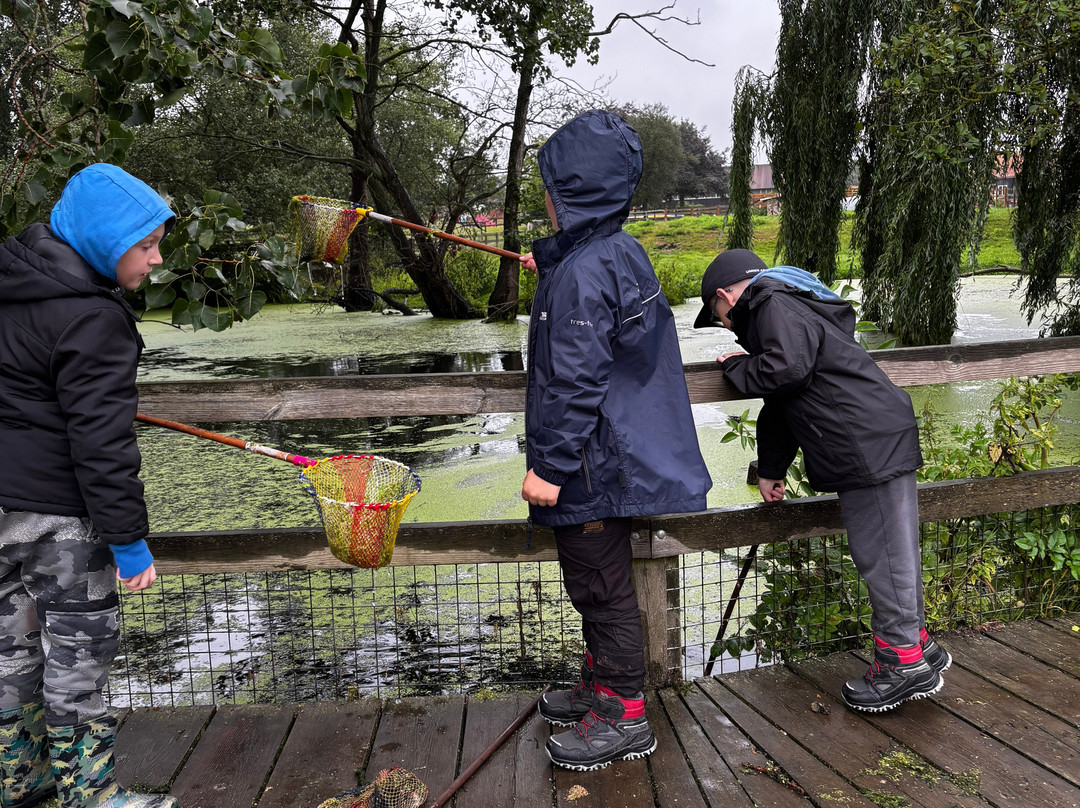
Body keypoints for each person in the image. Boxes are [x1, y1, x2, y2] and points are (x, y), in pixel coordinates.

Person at [519, 110, 712, 770]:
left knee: (602, 590)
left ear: (570, 190)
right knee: (594, 583)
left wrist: (547, 466)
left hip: (590, 462)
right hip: (610, 454)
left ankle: (624, 712)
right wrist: (547, 260)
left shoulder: (581, 272)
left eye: (549, 185)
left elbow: (576, 377)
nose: (543, 197)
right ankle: (601, 687)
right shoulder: (611, 252)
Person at [693, 248, 951, 712]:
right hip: (872, 433)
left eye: (718, 316)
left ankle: (902, 662)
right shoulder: (791, 302)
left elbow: (784, 372)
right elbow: (786, 398)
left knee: (881, 554)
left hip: (864, 441)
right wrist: (771, 469)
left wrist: (734, 366)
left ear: (725, 296)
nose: (726, 325)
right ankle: (916, 646)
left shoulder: (771, 302)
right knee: (894, 548)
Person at [0, 164, 179, 807]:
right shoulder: (93, 319)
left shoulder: (12, 285)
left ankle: (19, 783)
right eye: (146, 245)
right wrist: (130, 544)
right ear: (104, 242)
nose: (156, 260)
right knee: (79, 657)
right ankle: (91, 795)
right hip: (60, 522)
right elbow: (102, 445)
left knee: (9, 654)